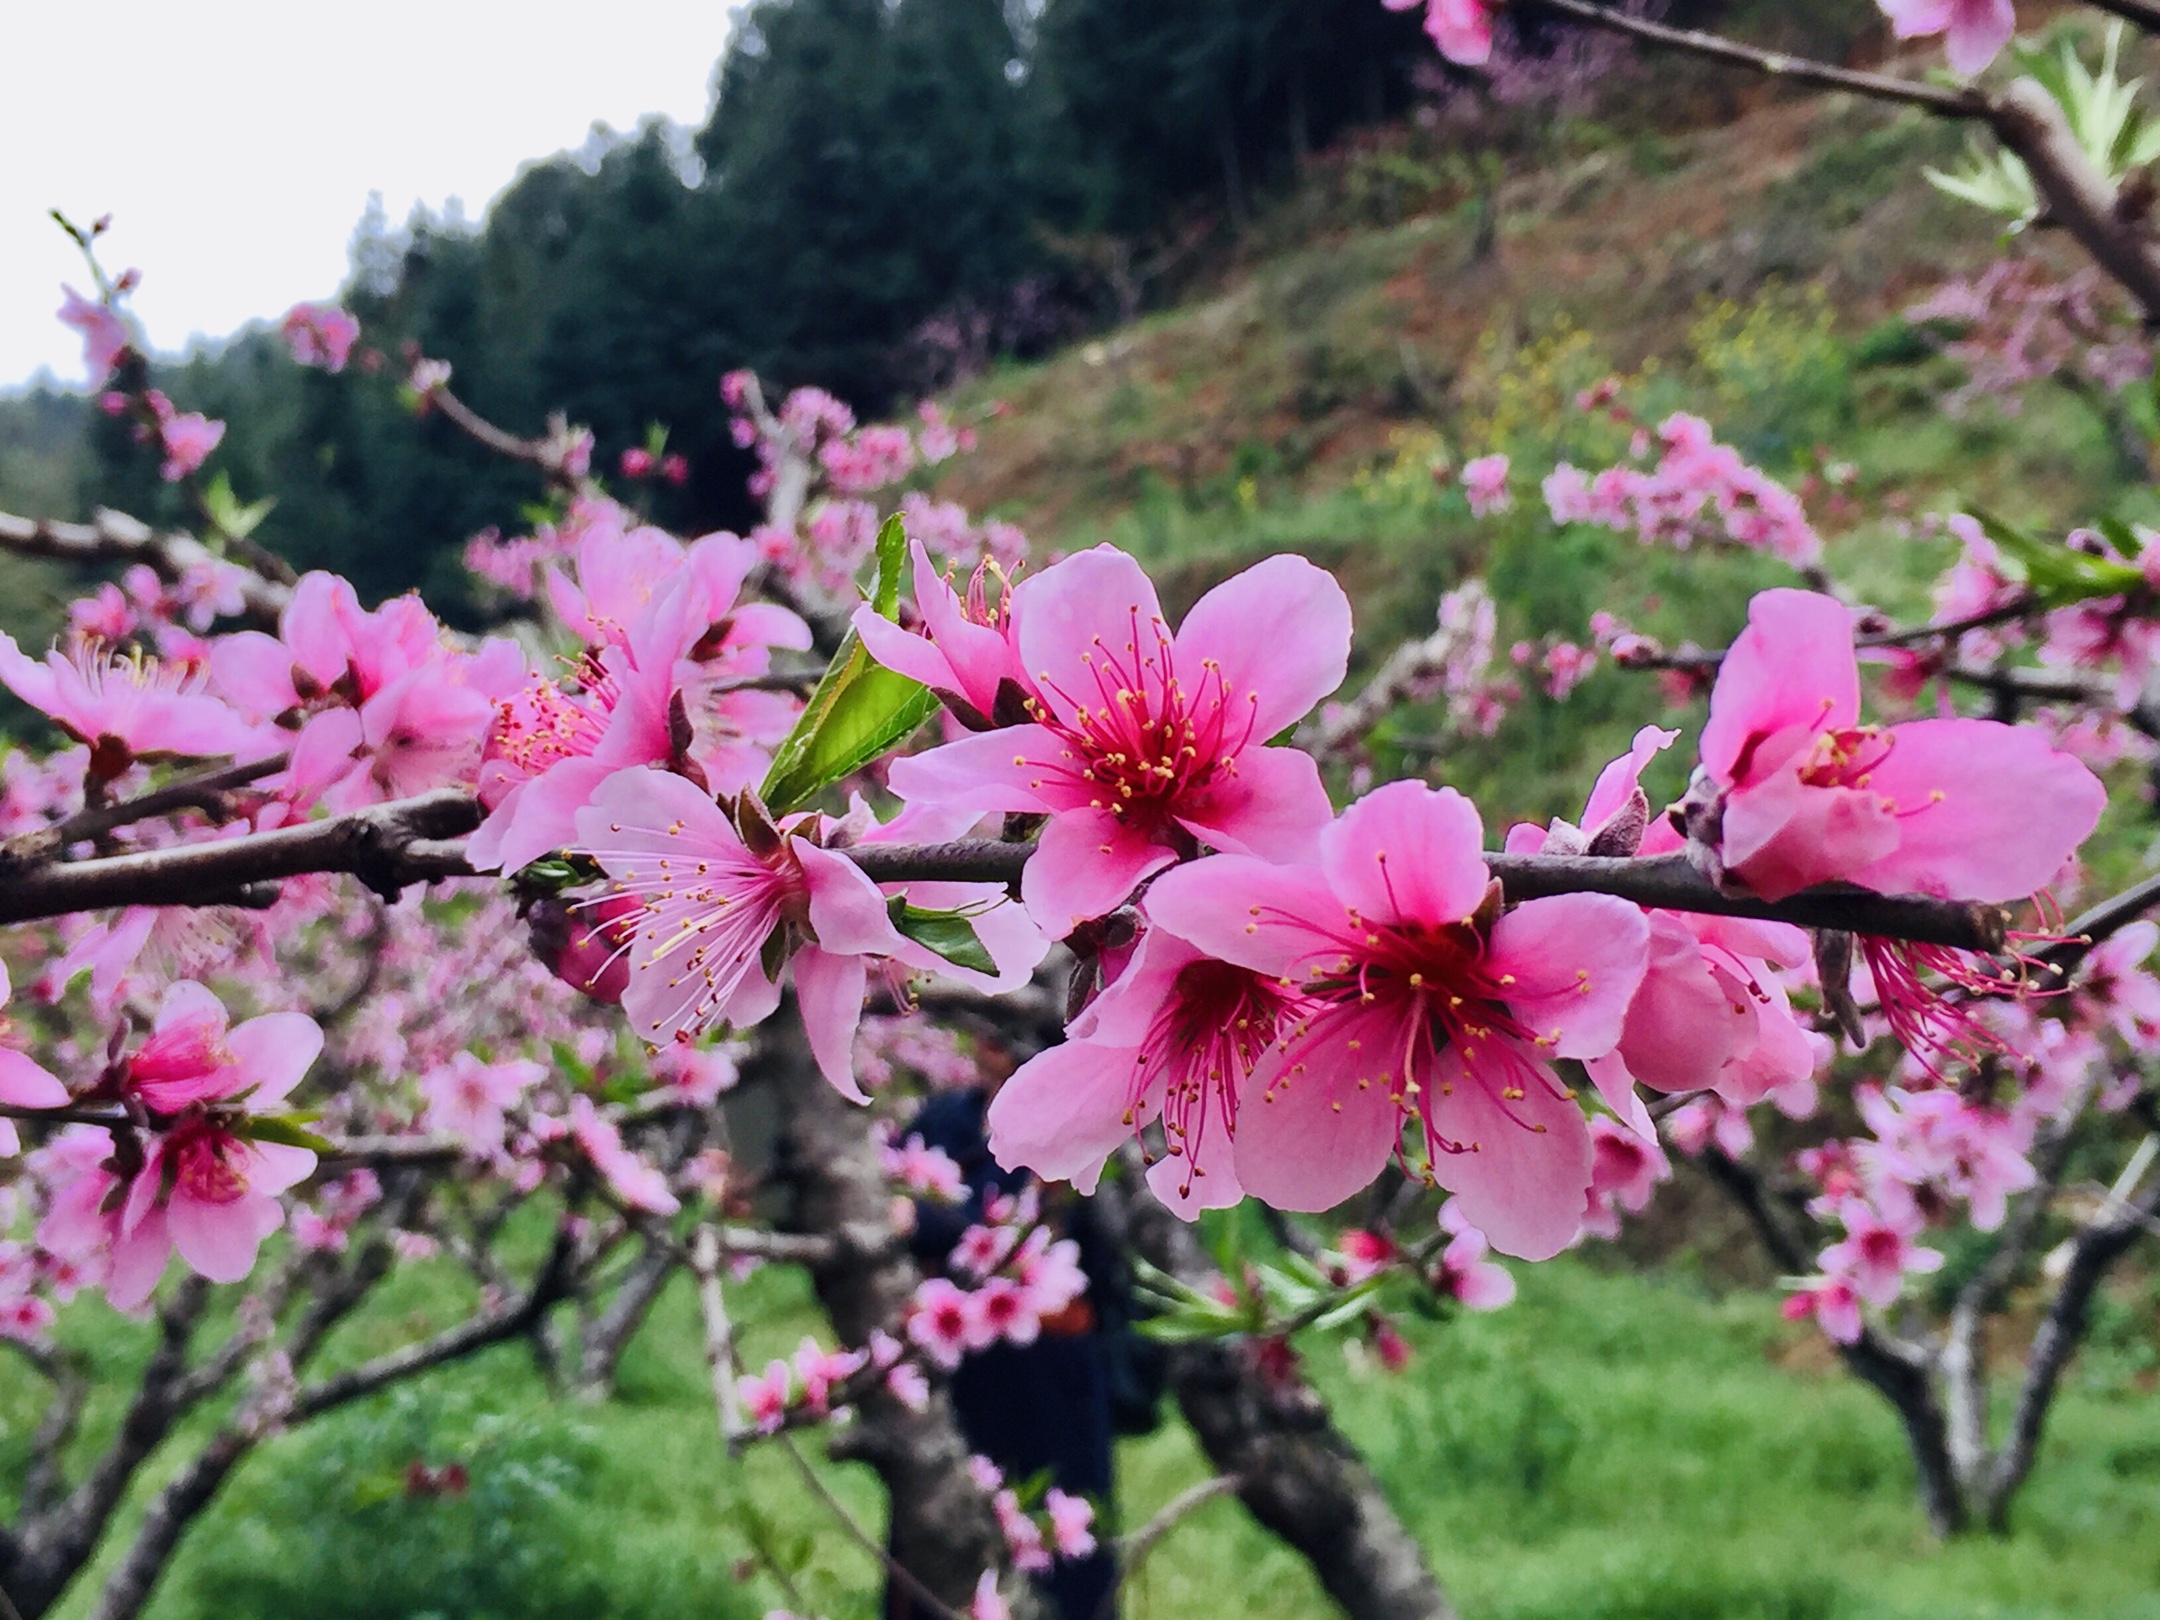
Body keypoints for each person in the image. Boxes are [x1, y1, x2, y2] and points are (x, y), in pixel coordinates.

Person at [889, 1079, 1163, 1620]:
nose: (990, 1043)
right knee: (941, 1508)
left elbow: (1060, 1228)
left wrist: (925, 1224)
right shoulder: (946, 1118)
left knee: (1066, 1528)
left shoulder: (1078, 1110)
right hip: (960, 1361)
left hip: (1051, 1370)